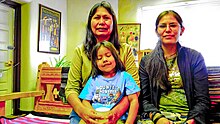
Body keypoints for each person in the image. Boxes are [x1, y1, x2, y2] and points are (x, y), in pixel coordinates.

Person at [65, 1, 140, 124]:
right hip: (86, 109)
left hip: (119, 110)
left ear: (113, 23)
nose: (101, 22)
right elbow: (71, 89)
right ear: (90, 22)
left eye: (106, 18)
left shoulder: (125, 50)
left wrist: (115, 113)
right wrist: (83, 111)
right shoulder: (80, 51)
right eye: (96, 18)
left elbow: (135, 88)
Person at [139, 10, 210, 124]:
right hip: (157, 117)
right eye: (162, 26)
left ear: (182, 30)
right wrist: (158, 118)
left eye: (173, 25)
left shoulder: (195, 57)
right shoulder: (146, 62)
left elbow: (203, 100)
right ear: (157, 31)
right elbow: (145, 100)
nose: (168, 30)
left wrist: (191, 121)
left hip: (188, 117)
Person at [78, 41, 140, 124]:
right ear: (95, 63)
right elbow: (85, 101)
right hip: (95, 118)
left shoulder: (125, 77)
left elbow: (134, 100)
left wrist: (129, 122)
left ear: (115, 57)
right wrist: (94, 116)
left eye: (108, 55)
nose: (104, 60)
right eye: (99, 58)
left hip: (117, 118)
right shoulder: (93, 79)